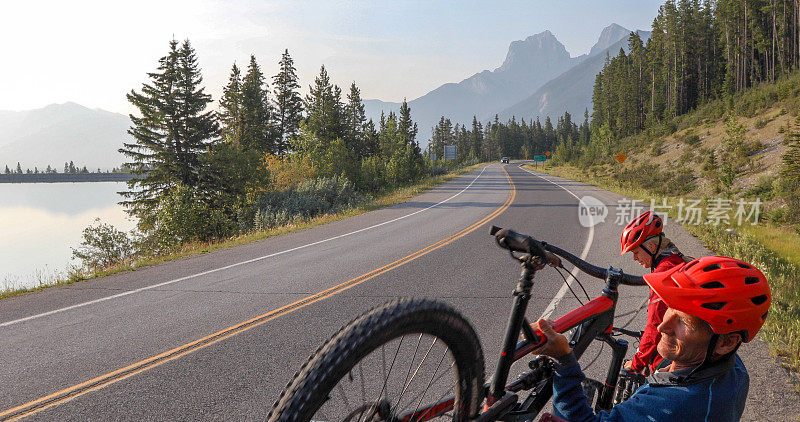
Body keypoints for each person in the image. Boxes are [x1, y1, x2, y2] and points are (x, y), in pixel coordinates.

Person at [532, 256, 771, 422]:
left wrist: (564, 360)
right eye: (670, 308)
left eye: (684, 322)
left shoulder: (673, 406)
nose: (663, 325)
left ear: (726, 342)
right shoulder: (733, 368)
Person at [620, 211, 690, 375]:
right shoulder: (675, 258)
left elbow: (655, 326)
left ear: (651, 247)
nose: (635, 259)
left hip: (679, 354)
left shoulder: (664, 272)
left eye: (636, 252)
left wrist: (636, 363)